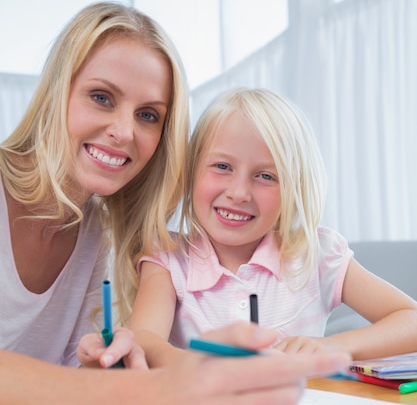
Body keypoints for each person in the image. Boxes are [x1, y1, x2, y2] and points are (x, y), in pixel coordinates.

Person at [0, 4, 349, 405]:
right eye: (101, 97)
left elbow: (68, 382)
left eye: (149, 115)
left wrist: (158, 368)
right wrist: (153, 398)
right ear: (54, 93)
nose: (124, 131)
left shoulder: (99, 236)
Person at [128, 88, 417, 367]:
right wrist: (196, 365)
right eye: (222, 167)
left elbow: (410, 320)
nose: (239, 192)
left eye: (266, 175)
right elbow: (143, 342)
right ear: (190, 172)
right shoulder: (167, 259)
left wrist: (338, 345)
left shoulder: (316, 255)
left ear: (293, 189)